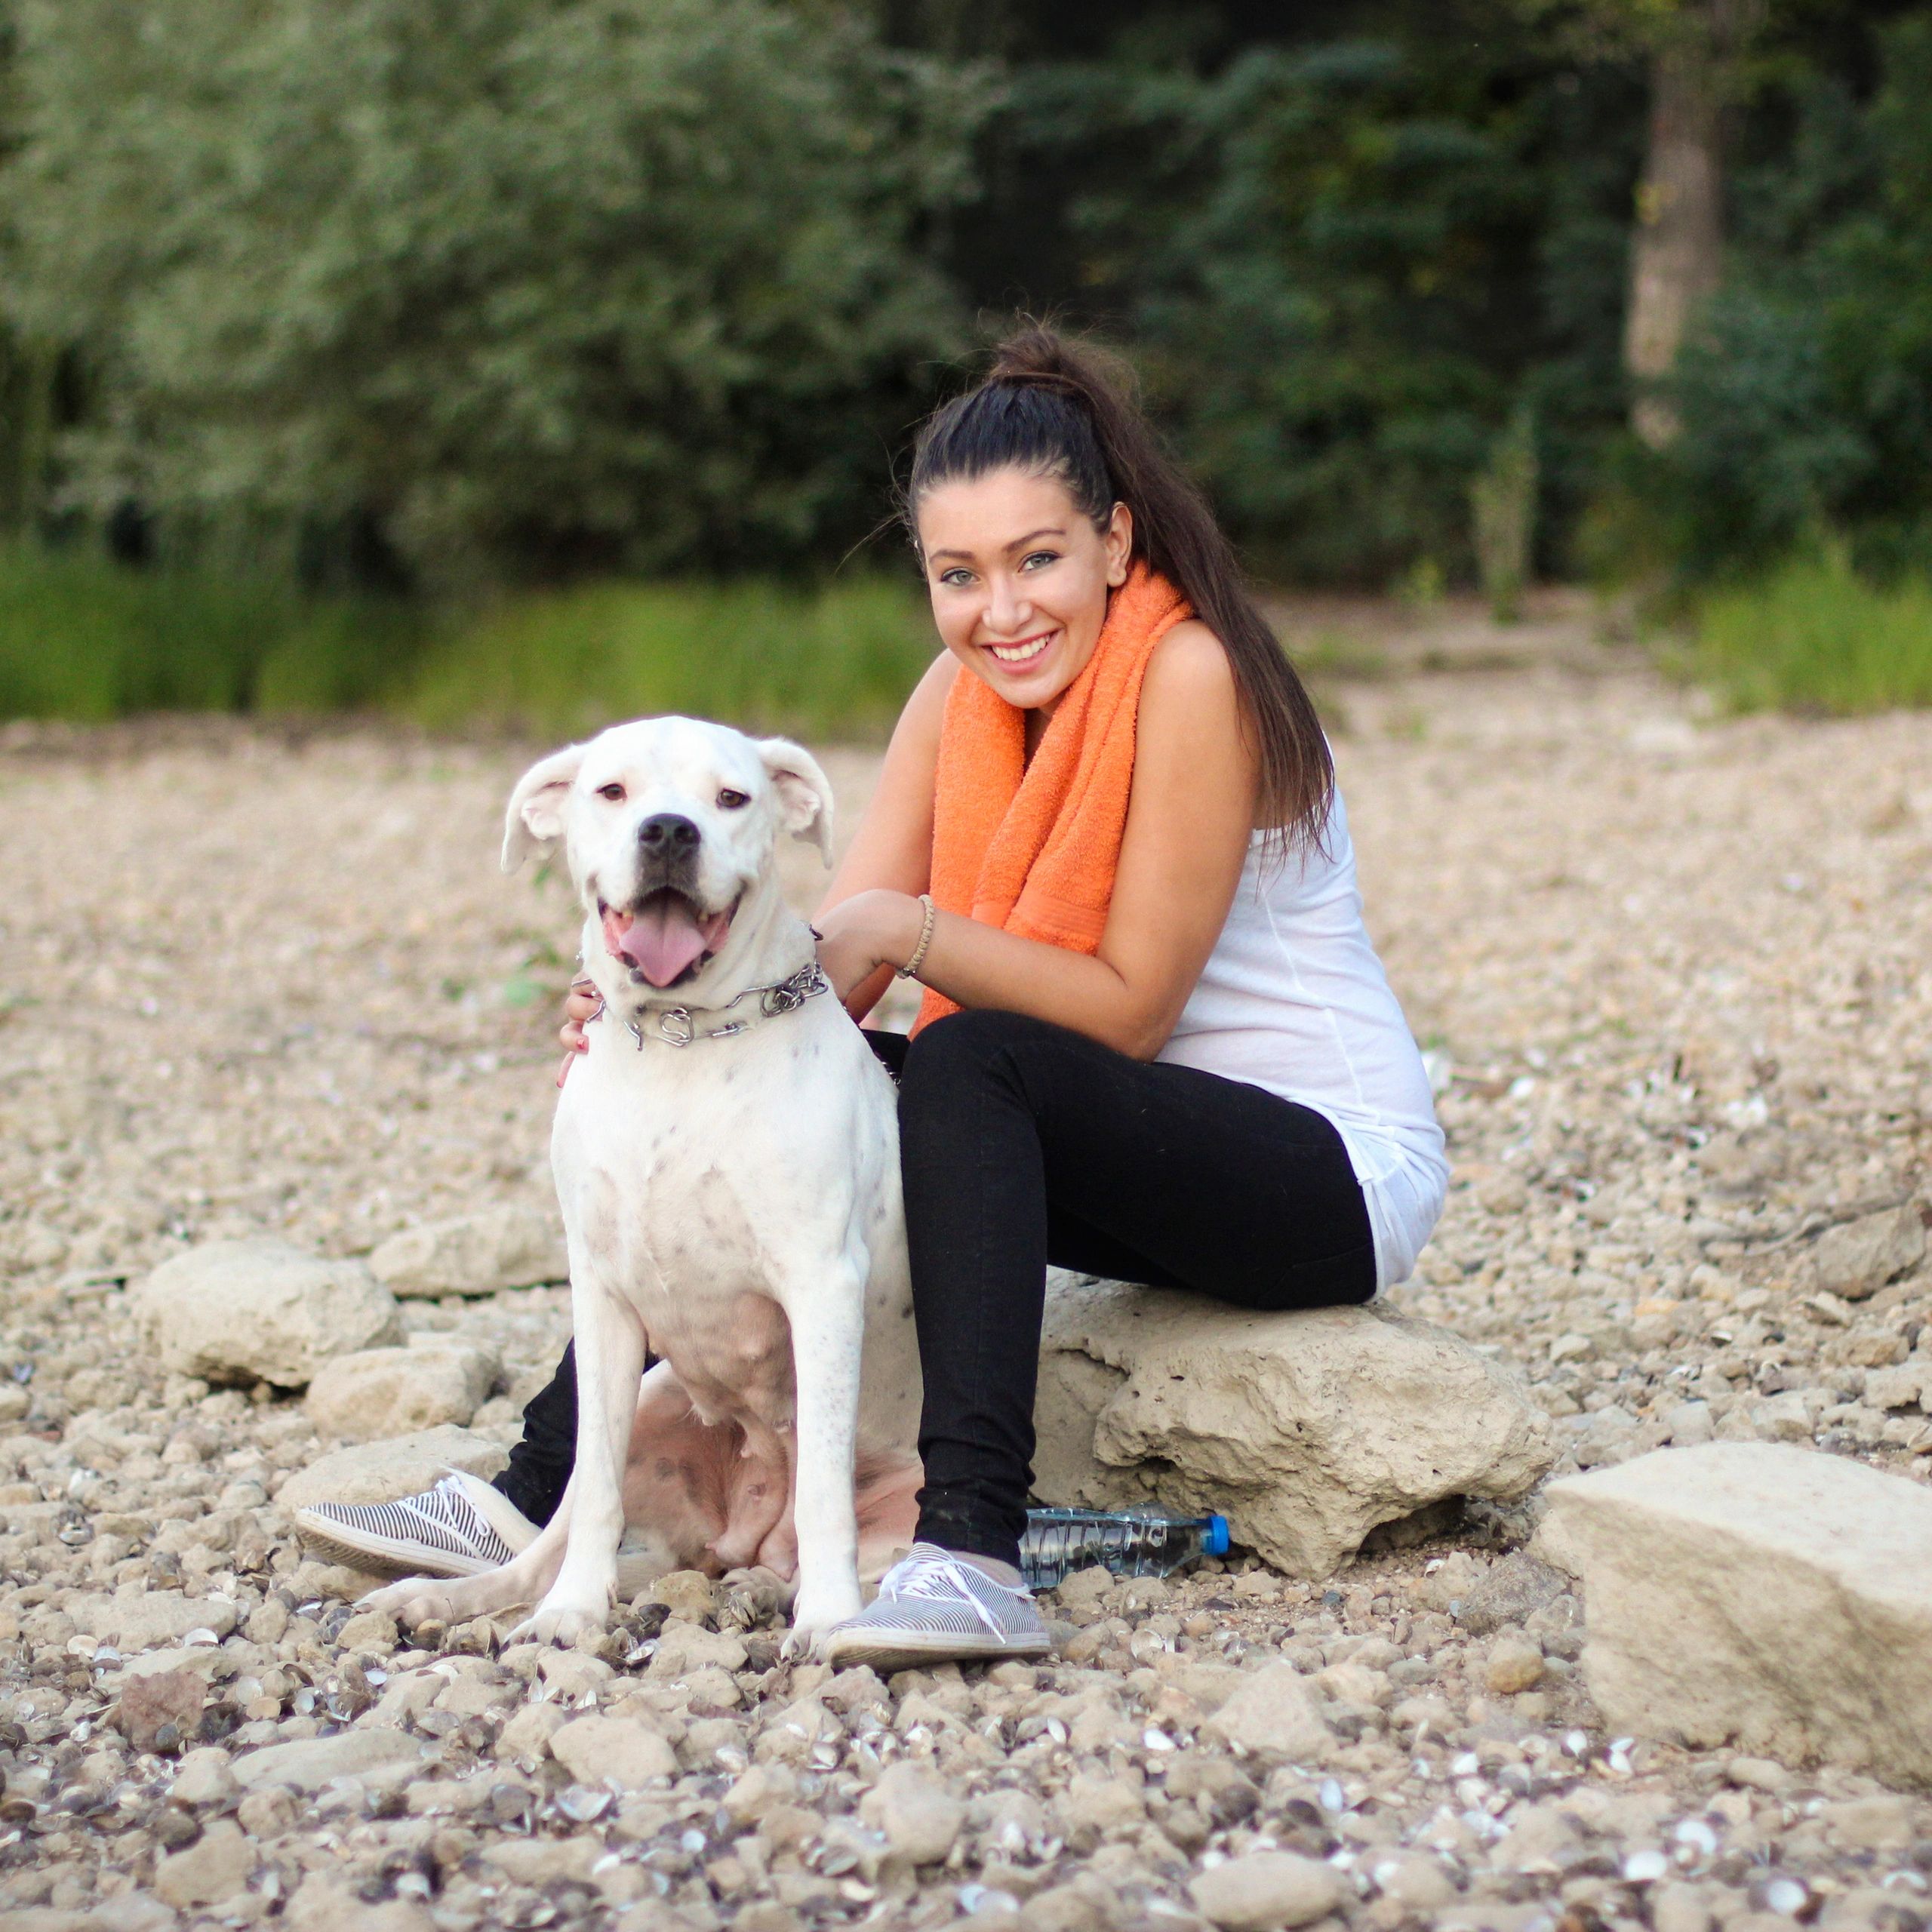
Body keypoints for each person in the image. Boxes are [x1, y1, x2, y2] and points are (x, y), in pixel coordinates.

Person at [298, 324, 1447, 1669]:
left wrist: (907, 931)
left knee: (961, 1066)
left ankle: (968, 1545)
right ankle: (535, 1494)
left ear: (1119, 544)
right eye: (960, 575)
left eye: (1039, 561)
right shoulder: (959, 698)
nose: (1002, 610)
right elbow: (821, 975)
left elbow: (1120, 1008)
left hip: (1320, 1170)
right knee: (830, 1088)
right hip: (1119, 1132)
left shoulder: (1190, 675)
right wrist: (650, 1002)